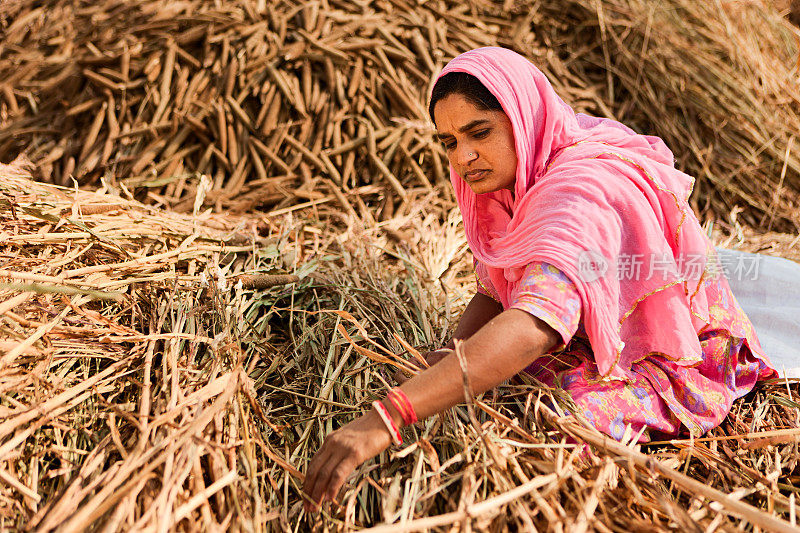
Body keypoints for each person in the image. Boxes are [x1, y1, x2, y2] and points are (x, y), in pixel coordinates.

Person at [302, 47, 776, 512]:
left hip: (675, 355)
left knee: (547, 421)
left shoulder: (579, 194)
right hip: (582, 331)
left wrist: (390, 416)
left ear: (522, 119)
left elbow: (533, 326)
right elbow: (496, 289)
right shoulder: (511, 178)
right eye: (449, 141)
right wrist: (447, 356)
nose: (464, 156)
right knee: (483, 383)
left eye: (479, 132)